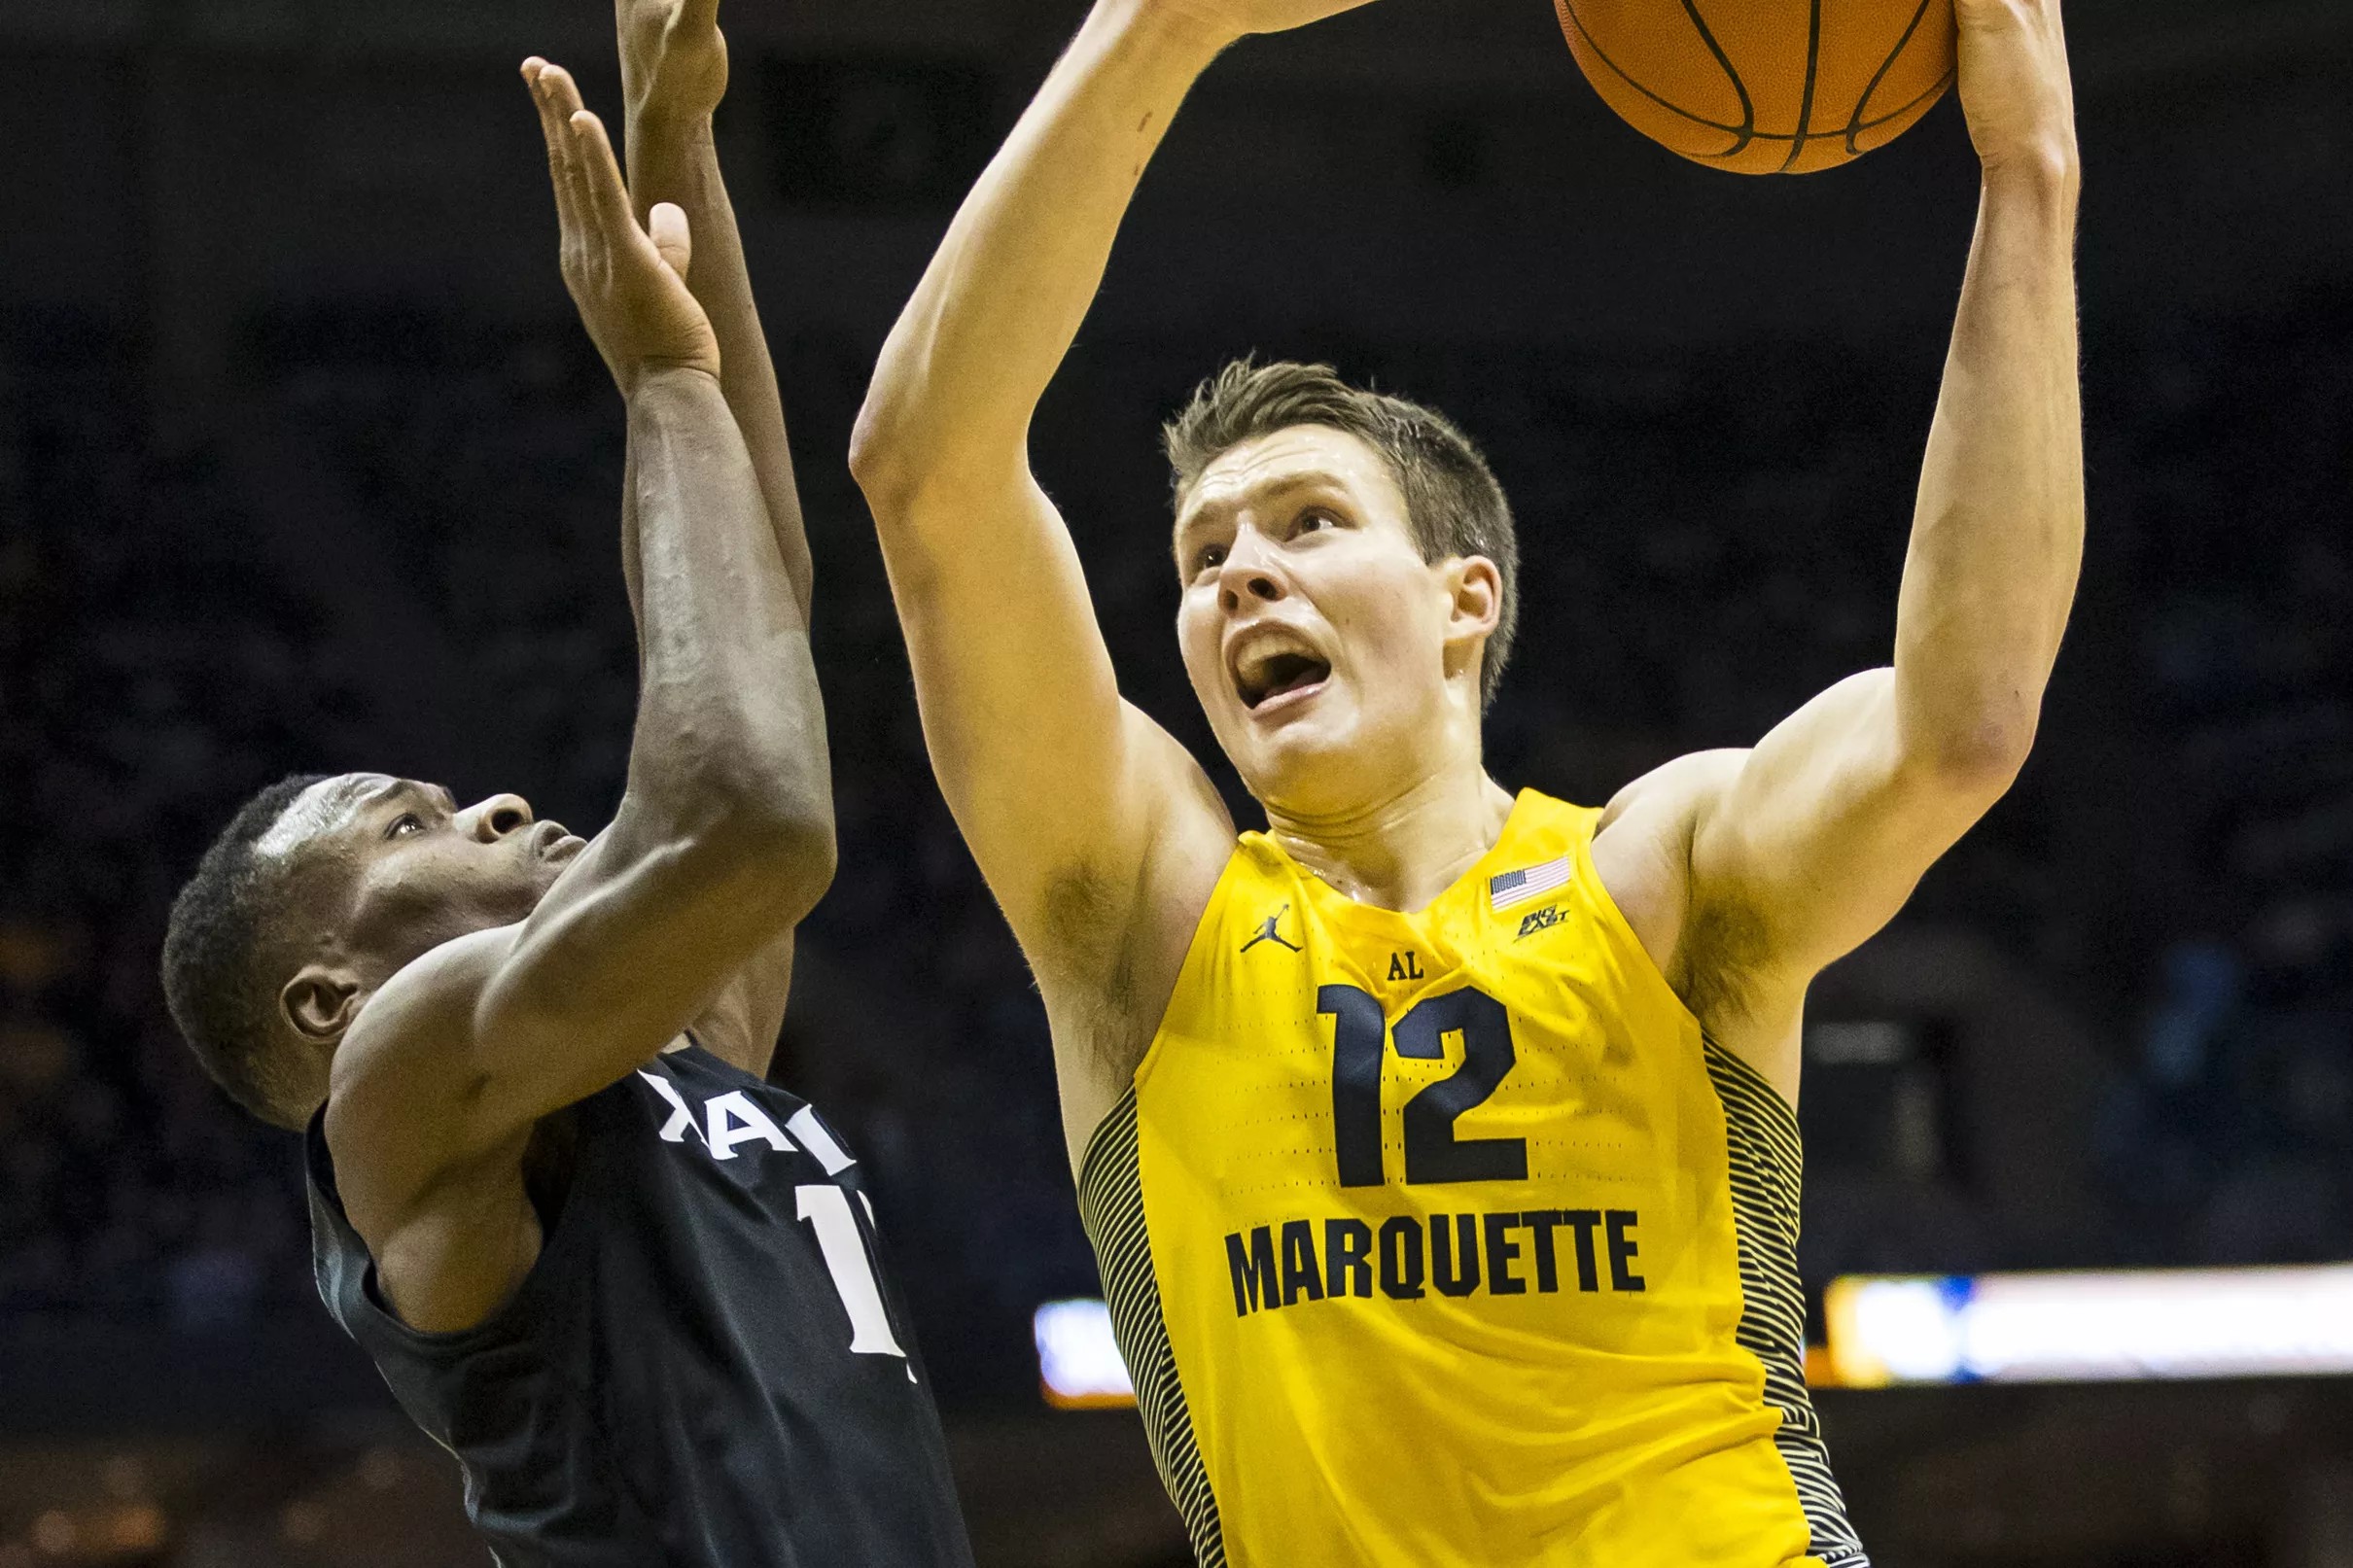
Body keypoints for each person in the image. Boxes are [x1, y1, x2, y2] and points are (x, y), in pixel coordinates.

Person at [849, 0, 2082, 1561]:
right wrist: (1156, 27)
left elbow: (1961, 722)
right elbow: (928, 472)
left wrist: (2029, 173)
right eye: (1203, 553)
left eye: (1308, 521)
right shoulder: (1148, 913)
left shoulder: (1658, 869)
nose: (1238, 574)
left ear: (1463, 599)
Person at [157, 8, 975, 1564]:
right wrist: (660, 379)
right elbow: (754, 812)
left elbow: (758, 620)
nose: (488, 807)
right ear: (328, 994)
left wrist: (678, 152)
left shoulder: (673, 1056)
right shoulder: (394, 1094)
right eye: (409, 822)